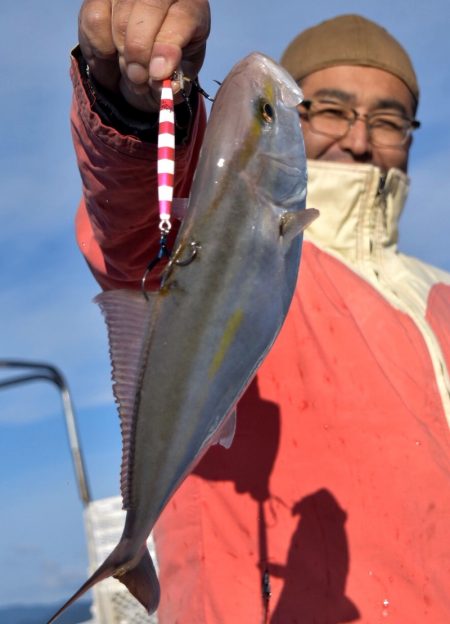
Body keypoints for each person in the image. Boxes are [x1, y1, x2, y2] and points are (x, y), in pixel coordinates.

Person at [71, 2, 450, 622]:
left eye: (388, 119)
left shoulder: (443, 296)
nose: (357, 138)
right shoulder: (250, 239)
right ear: (291, 123)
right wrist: (135, 110)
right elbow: (137, 230)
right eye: (329, 109)